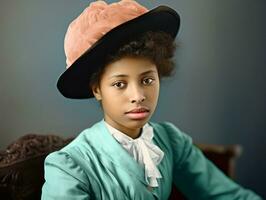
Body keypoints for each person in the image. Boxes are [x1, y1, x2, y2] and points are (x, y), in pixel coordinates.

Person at [41, 0, 262, 199]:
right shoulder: (68, 166)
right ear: (97, 89)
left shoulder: (171, 141)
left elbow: (229, 196)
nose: (138, 96)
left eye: (147, 80)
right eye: (119, 84)